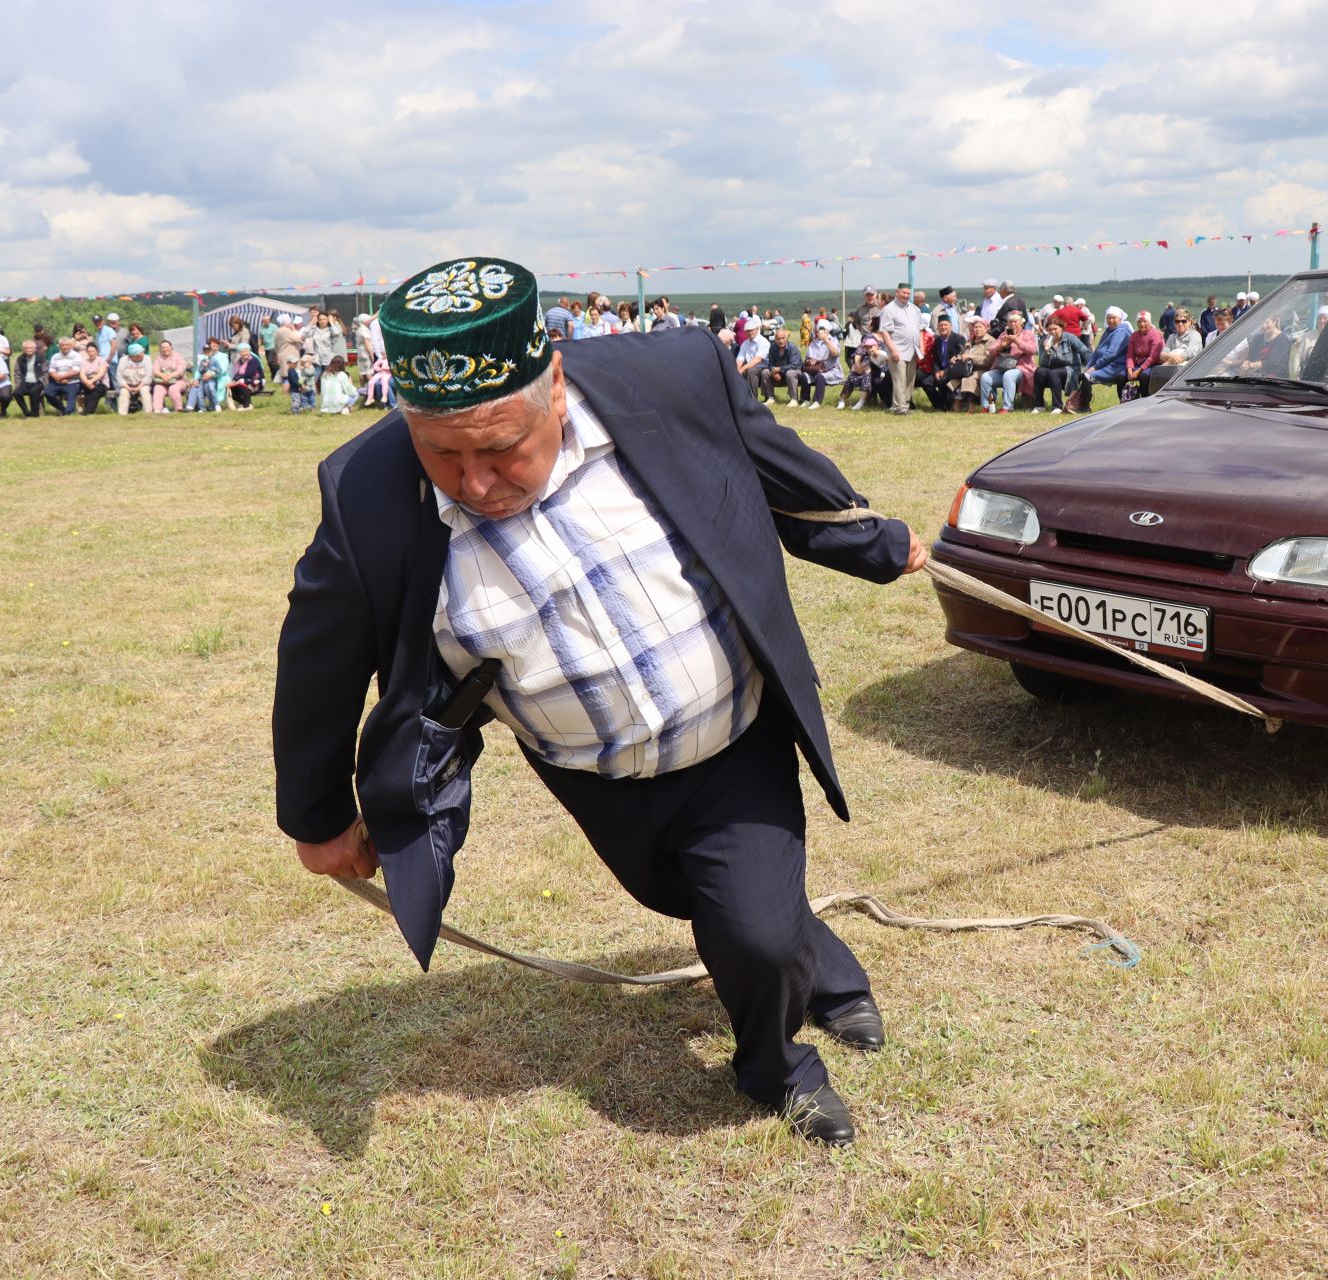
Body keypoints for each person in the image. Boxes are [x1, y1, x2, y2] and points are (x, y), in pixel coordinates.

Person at [274, 257, 924, 1149]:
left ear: (556, 387)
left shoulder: (674, 376)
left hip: (733, 732)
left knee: (755, 931)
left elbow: (784, 479)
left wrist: (881, 545)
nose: (473, 482)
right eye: (443, 454)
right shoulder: (366, 492)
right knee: (704, 900)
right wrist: (315, 817)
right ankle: (797, 944)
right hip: (593, 771)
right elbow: (316, 663)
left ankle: (778, 1067)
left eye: (502, 449)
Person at [978, 311, 1035, 414]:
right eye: (1010, 322)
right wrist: (1001, 346)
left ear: (1021, 323)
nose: (1012, 324)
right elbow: (991, 352)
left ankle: (1007, 407)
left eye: (1015, 321)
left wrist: (1017, 341)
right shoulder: (1003, 334)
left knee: (1009, 375)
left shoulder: (1028, 334)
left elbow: (1032, 350)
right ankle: (987, 406)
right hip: (1002, 368)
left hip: (1021, 368)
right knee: (986, 377)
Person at [878, 283, 922, 416]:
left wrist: (920, 348)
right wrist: (893, 350)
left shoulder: (915, 309)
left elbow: (919, 329)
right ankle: (899, 407)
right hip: (898, 350)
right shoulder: (889, 309)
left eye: (908, 293)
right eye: (904, 293)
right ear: (897, 292)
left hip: (913, 350)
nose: (906, 296)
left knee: (909, 380)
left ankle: (906, 404)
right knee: (899, 379)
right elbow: (884, 331)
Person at [1032, 318, 1090, 414]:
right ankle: (1039, 405)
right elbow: (1042, 363)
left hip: (1070, 369)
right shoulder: (1044, 341)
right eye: (1050, 330)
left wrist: (1089, 366)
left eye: (1055, 329)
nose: (1053, 332)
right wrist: (1046, 351)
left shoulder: (1069, 338)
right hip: (1052, 369)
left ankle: (1057, 406)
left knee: (1053, 373)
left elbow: (1084, 350)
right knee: (1039, 371)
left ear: (1062, 328)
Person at [916, 314, 967, 412]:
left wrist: (945, 371)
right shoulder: (937, 340)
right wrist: (936, 371)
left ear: (951, 326)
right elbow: (935, 359)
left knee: (943, 383)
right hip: (940, 371)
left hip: (952, 372)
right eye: (941, 325)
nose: (943, 327)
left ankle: (948, 405)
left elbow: (958, 360)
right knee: (926, 383)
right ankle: (939, 406)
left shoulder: (959, 339)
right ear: (938, 327)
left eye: (945, 325)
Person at [1084, 307, 1131, 410]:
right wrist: (1088, 366)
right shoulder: (1108, 330)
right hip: (1106, 365)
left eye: (1114, 318)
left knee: (1086, 377)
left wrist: (1095, 367)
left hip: (1117, 366)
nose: (1111, 320)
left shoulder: (1122, 331)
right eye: (1109, 318)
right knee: (1084, 375)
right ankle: (1081, 404)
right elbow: (1097, 351)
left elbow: (1111, 353)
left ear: (1120, 319)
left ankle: (1082, 405)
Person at [799, 319, 843, 409]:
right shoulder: (814, 342)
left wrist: (826, 340)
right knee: (804, 375)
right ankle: (806, 400)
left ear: (826, 330)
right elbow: (807, 358)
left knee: (820, 376)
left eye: (819, 329)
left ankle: (817, 401)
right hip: (816, 369)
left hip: (831, 370)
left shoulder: (833, 340)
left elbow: (835, 353)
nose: (817, 331)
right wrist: (810, 360)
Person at [1124, 311, 1165, 400]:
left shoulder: (1155, 334)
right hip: (1139, 363)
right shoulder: (1134, 336)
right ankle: (1124, 399)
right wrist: (1130, 369)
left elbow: (1153, 357)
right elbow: (1130, 355)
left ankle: (1145, 399)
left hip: (1153, 364)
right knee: (1121, 376)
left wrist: (1139, 371)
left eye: (1144, 321)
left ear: (1149, 322)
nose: (1142, 324)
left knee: (1144, 376)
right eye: (1139, 322)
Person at [757, 327, 803, 404]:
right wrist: (774, 372)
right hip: (779, 372)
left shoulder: (793, 347)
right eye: (778, 339)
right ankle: (770, 398)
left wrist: (778, 369)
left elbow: (794, 366)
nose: (781, 341)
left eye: (783, 338)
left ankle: (794, 399)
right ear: (775, 339)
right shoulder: (772, 347)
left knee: (790, 373)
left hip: (795, 372)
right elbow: (770, 364)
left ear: (787, 337)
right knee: (765, 372)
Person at [44, 338, 84, 415]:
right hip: (58, 382)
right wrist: (59, 379)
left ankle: (69, 411)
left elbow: (75, 370)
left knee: (71, 398)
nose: (65, 347)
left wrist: (61, 377)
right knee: (47, 393)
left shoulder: (76, 355)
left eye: (67, 345)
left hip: (72, 382)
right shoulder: (55, 356)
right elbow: (51, 370)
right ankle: (62, 408)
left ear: (71, 346)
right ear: (59, 346)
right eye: (62, 345)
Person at [733, 314, 768, 394]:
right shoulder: (745, 343)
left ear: (757, 329)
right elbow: (740, 359)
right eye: (748, 331)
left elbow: (758, 359)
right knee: (736, 372)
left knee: (751, 371)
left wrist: (743, 369)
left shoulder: (763, 341)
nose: (750, 332)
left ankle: (752, 398)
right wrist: (736, 370)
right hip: (749, 367)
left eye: (752, 330)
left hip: (763, 368)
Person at [150, 340, 188, 412]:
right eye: (163, 348)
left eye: (167, 347)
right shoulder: (158, 358)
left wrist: (170, 376)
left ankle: (179, 409)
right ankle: (157, 410)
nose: (165, 349)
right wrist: (162, 375)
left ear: (171, 347)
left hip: (178, 380)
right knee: (157, 388)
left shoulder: (178, 356)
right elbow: (155, 370)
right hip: (163, 381)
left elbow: (181, 369)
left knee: (173, 389)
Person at [116, 342, 153, 414]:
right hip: (127, 385)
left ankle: (148, 413)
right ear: (133, 356)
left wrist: (138, 387)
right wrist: (128, 387)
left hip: (142, 384)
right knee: (124, 393)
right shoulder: (123, 360)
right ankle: (122, 414)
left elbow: (148, 376)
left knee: (145, 391)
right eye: (141, 353)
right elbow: (119, 377)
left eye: (143, 352)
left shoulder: (147, 359)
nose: (143, 354)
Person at [13, 340, 47, 417]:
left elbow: (45, 372)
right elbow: (17, 372)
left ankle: (35, 413)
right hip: (25, 381)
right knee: (16, 393)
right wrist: (18, 385)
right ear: (23, 349)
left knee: (33, 392)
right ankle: (27, 412)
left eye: (31, 348)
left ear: (35, 349)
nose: (29, 350)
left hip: (38, 382)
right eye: (27, 348)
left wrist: (45, 385)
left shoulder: (40, 358)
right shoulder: (20, 358)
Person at [78, 342, 111, 414]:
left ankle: (87, 411)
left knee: (95, 393)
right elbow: (82, 374)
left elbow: (101, 373)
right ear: (86, 352)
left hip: (101, 383)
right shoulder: (84, 362)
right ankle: (86, 410)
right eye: (89, 351)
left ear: (97, 351)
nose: (91, 353)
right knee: (85, 391)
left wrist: (91, 381)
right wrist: (87, 382)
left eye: (93, 351)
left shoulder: (102, 361)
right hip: (87, 382)